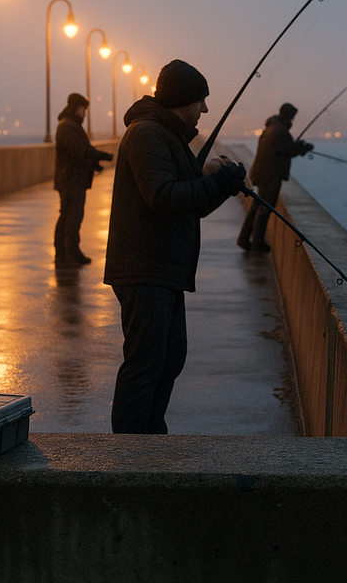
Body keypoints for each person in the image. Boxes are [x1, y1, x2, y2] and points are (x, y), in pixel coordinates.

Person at [104, 59, 247, 434]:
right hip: (144, 267)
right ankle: (130, 453)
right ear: (182, 99)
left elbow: (192, 206)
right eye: (200, 100)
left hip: (164, 268)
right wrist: (212, 183)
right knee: (145, 362)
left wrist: (224, 185)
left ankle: (151, 437)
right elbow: (163, 197)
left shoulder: (170, 137)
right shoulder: (147, 134)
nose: (204, 109)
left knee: (169, 357)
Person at [237, 102, 313, 252]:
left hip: (262, 172)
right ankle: (257, 243)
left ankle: (244, 239)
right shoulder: (279, 131)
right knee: (264, 208)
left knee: (256, 207)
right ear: (287, 116)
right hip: (270, 175)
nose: (292, 121)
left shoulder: (272, 128)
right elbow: (288, 149)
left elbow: (286, 147)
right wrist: (303, 148)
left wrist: (298, 147)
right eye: (291, 117)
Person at [54, 92, 114, 268]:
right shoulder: (68, 126)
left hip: (72, 178)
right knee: (71, 217)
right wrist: (105, 156)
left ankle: (69, 253)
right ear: (77, 108)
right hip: (70, 179)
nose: (85, 114)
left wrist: (96, 164)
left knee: (70, 216)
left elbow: (82, 150)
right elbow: (80, 151)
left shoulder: (70, 125)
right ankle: (67, 255)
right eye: (84, 110)